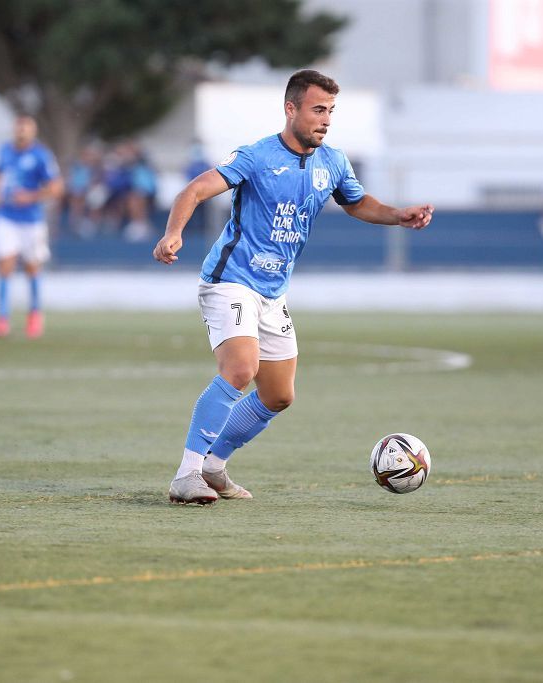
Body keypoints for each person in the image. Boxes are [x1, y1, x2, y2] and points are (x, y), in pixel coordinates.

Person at [152, 70, 434, 505]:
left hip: (271, 292)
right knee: (240, 369)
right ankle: (186, 475)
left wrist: (398, 215)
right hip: (230, 280)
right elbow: (194, 190)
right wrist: (174, 234)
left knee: (279, 395)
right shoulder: (257, 156)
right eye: (318, 110)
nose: (326, 120)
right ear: (291, 109)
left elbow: (357, 203)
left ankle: (213, 466)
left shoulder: (333, 162)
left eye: (331, 112)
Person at [0, 114, 64, 338]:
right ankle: (2, 318)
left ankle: (34, 314)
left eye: (25, 128)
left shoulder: (41, 155)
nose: (21, 132)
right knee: (5, 264)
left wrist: (31, 197)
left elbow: (56, 187)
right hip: (6, 216)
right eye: (18, 127)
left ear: (33, 131)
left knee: (32, 267)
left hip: (31, 220)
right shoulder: (4, 150)